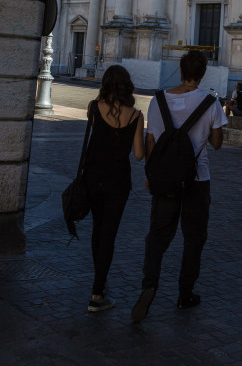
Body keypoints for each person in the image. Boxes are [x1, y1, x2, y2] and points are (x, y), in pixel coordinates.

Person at [132, 50, 228, 322]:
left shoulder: (158, 99)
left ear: (181, 70)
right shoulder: (210, 103)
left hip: (164, 179)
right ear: (202, 74)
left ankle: (149, 284)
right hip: (197, 180)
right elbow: (218, 143)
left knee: (158, 236)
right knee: (194, 238)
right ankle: (185, 293)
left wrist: (151, 174)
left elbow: (151, 142)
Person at [83, 64, 145, 312]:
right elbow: (139, 155)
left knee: (98, 231)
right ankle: (98, 294)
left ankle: (100, 280)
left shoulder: (93, 108)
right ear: (127, 86)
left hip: (93, 177)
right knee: (109, 234)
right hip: (118, 181)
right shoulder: (136, 116)